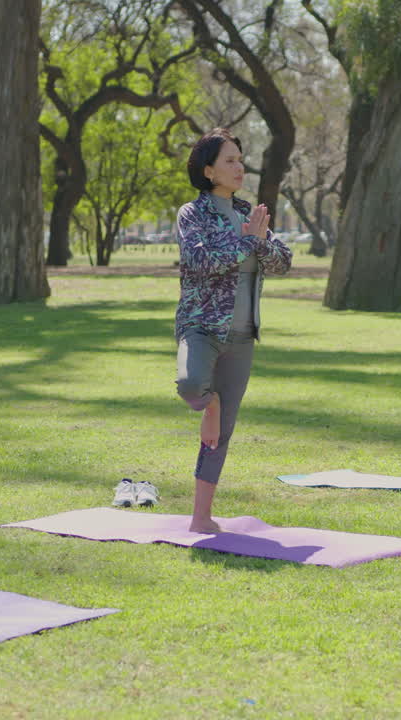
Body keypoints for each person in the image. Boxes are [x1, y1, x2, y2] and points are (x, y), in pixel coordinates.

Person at [174, 128, 291, 533]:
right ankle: (211, 403)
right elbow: (201, 260)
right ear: (208, 171)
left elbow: (282, 262)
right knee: (191, 387)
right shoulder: (193, 214)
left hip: (242, 336)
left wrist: (259, 241)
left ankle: (201, 518)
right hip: (201, 326)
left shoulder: (249, 212)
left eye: (240, 160)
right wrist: (248, 242)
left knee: (220, 436)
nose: (239, 167)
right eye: (229, 160)